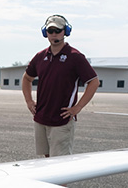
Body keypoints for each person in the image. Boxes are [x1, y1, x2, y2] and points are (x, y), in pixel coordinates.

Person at [21, 14, 99, 157]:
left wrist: (78, 107)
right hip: (41, 118)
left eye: (58, 30)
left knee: (60, 164)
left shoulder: (75, 56)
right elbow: (26, 78)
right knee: (44, 160)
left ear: (66, 32)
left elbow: (93, 81)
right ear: (46, 33)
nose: (54, 34)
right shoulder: (40, 57)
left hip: (62, 120)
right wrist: (29, 101)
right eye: (51, 31)